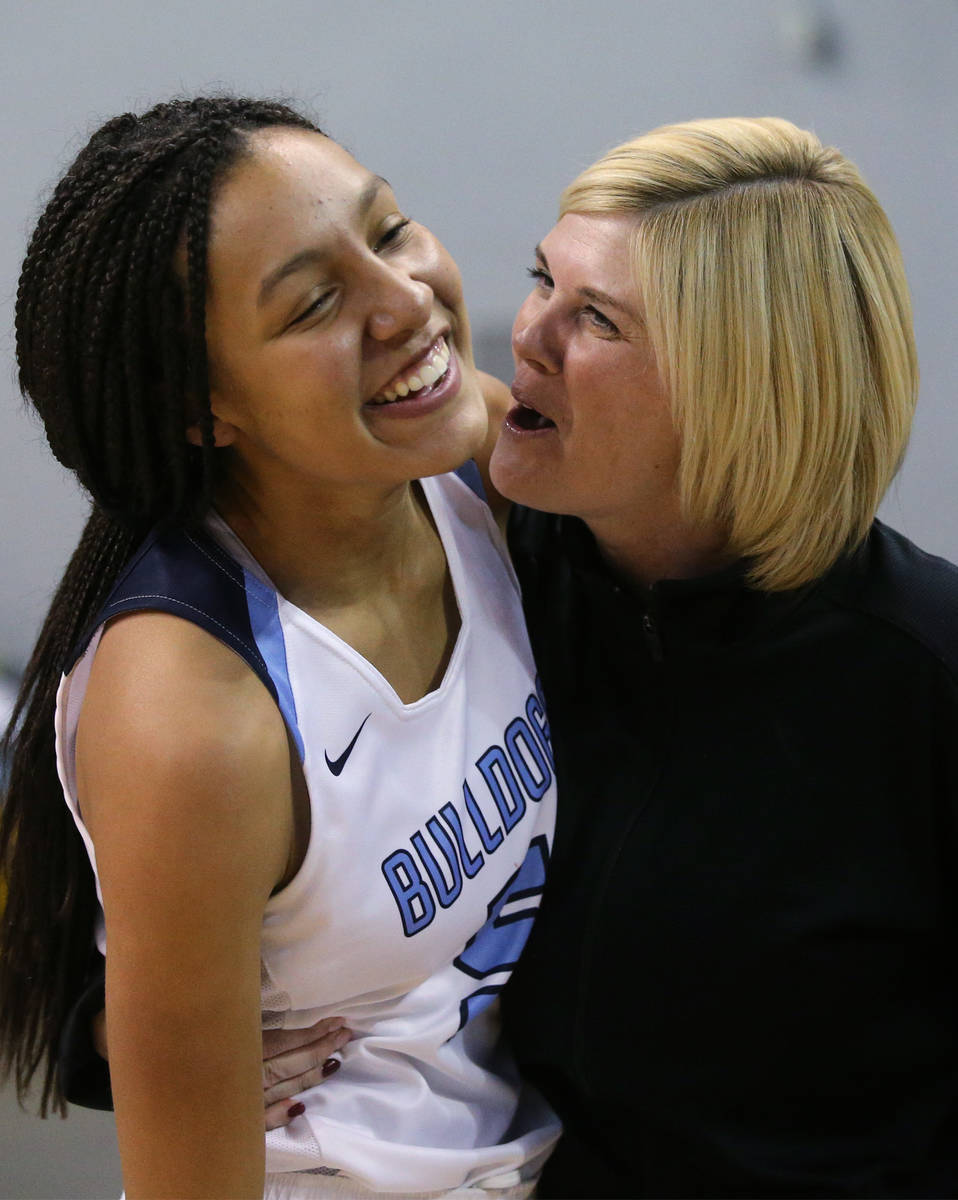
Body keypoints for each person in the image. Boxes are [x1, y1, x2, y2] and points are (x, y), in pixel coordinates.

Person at [258, 116, 958, 1196]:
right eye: (544, 277)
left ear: (742, 391)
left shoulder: (924, 676)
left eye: (596, 318)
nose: (526, 332)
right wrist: (157, 1027)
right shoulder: (471, 565)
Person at [0, 96, 559, 1199]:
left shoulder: (466, 464)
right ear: (202, 407)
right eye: (315, 303)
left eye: (390, 230)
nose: (405, 302)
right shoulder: (193, 715)